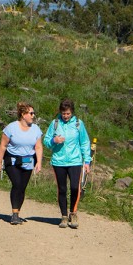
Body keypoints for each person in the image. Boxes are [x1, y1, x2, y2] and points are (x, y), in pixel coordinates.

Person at [43, 98, 91, 229]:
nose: (65, 116)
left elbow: (85, 142)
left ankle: (73, 213)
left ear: (72, 113)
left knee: (75, 187)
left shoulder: (78, 124)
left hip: (75, 161)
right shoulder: (55, 123)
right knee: (62, 189)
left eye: (68, 113)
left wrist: (87, 161)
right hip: (58, 161)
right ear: (60, 112)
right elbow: (46, 141)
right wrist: (54, 140)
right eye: (64, 113)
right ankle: (64, 216)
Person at [0, 102, 43, 225]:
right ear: (23, 114)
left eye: (33, 113)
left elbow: (38, 147)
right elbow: (3, 145)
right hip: (12, 160)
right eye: (31, 113)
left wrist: (39, 162)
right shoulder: (11, 128)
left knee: (22, 187)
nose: (33, 115)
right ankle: (14, 214)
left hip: (28, 161)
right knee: (17, 184)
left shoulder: (36, 129)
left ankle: (17, 213)